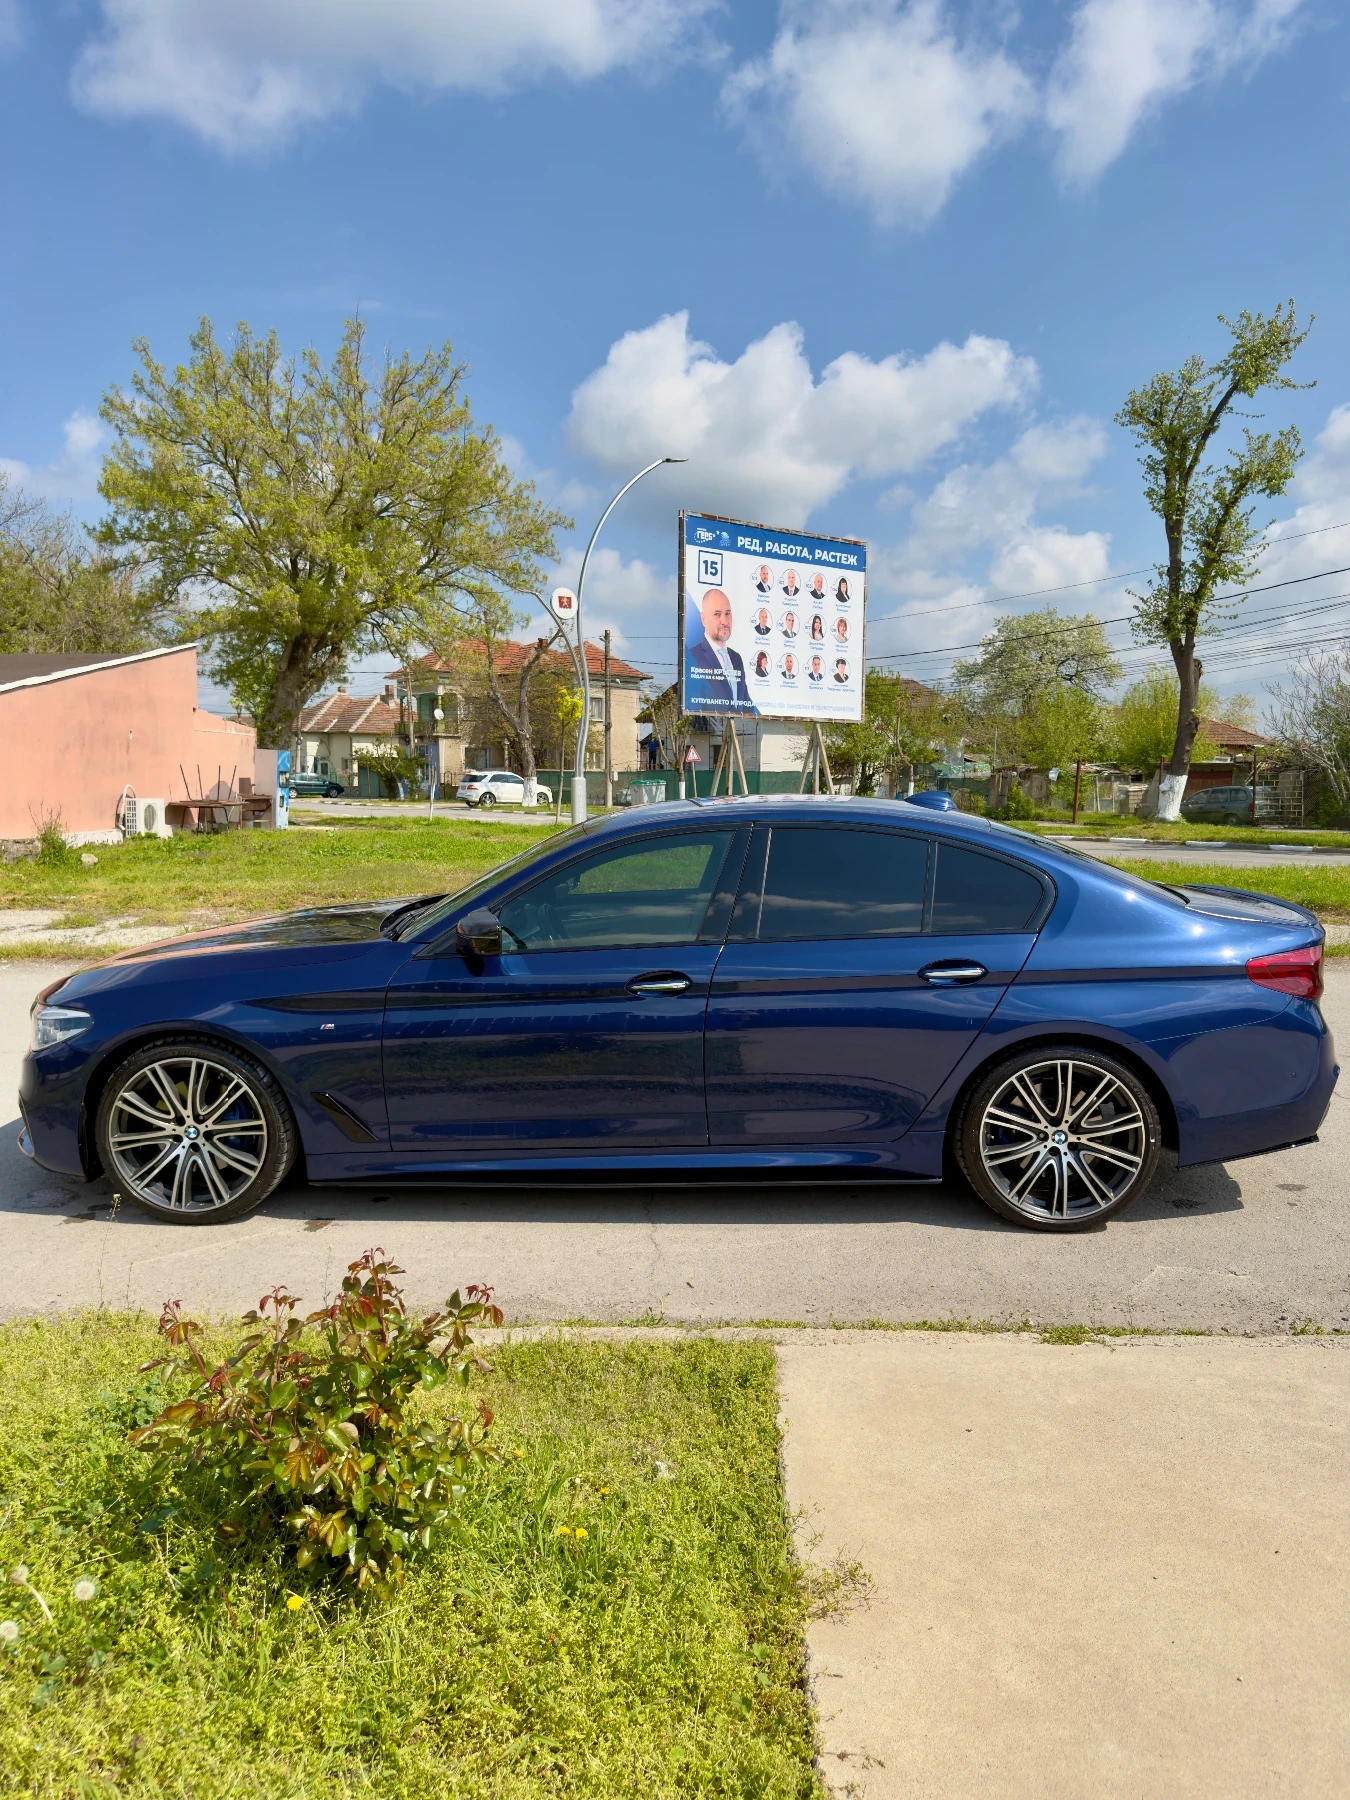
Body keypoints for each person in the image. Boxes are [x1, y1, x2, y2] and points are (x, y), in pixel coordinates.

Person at [686, 587, 755, 711]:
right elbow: (692, 709)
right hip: (710, 730)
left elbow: (745, 704)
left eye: (727, 614)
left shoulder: (736, 658)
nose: (724, 621)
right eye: (717, 614)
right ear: (703, 619)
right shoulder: (693, 656)